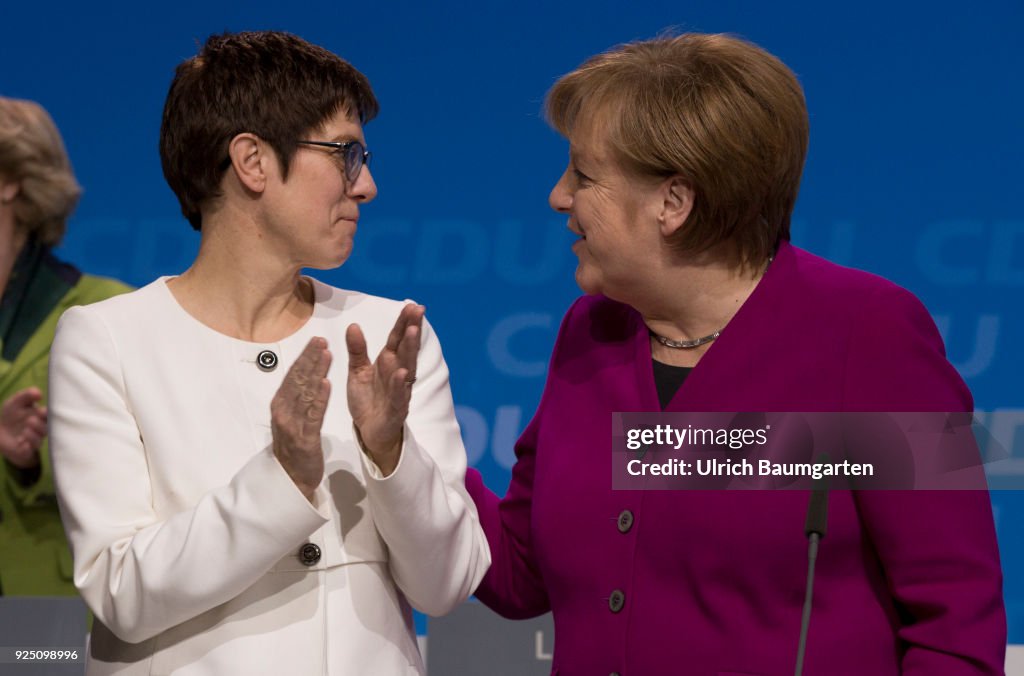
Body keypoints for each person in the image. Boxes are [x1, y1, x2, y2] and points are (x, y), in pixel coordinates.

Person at [466, 33, 1006, 674]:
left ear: (674, 201)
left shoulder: (870, 334)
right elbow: (520, 572)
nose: (559, 196)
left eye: (583, 176)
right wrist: (399, 444)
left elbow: (955, 627)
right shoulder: (594, 332)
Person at [48, 31, 488, 675]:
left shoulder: (386, 331)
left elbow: (447, 586)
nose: (366, 185)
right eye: (345, 153)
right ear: (252, 161)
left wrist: (392, 454)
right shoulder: (108, 339)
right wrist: (281, 475)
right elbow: (122, 593)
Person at [0, 97, 130, 596]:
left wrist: (30, 459)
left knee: (40, 673)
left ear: (10, 181)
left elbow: (147, 464)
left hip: (40, 601)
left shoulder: (104, 312)